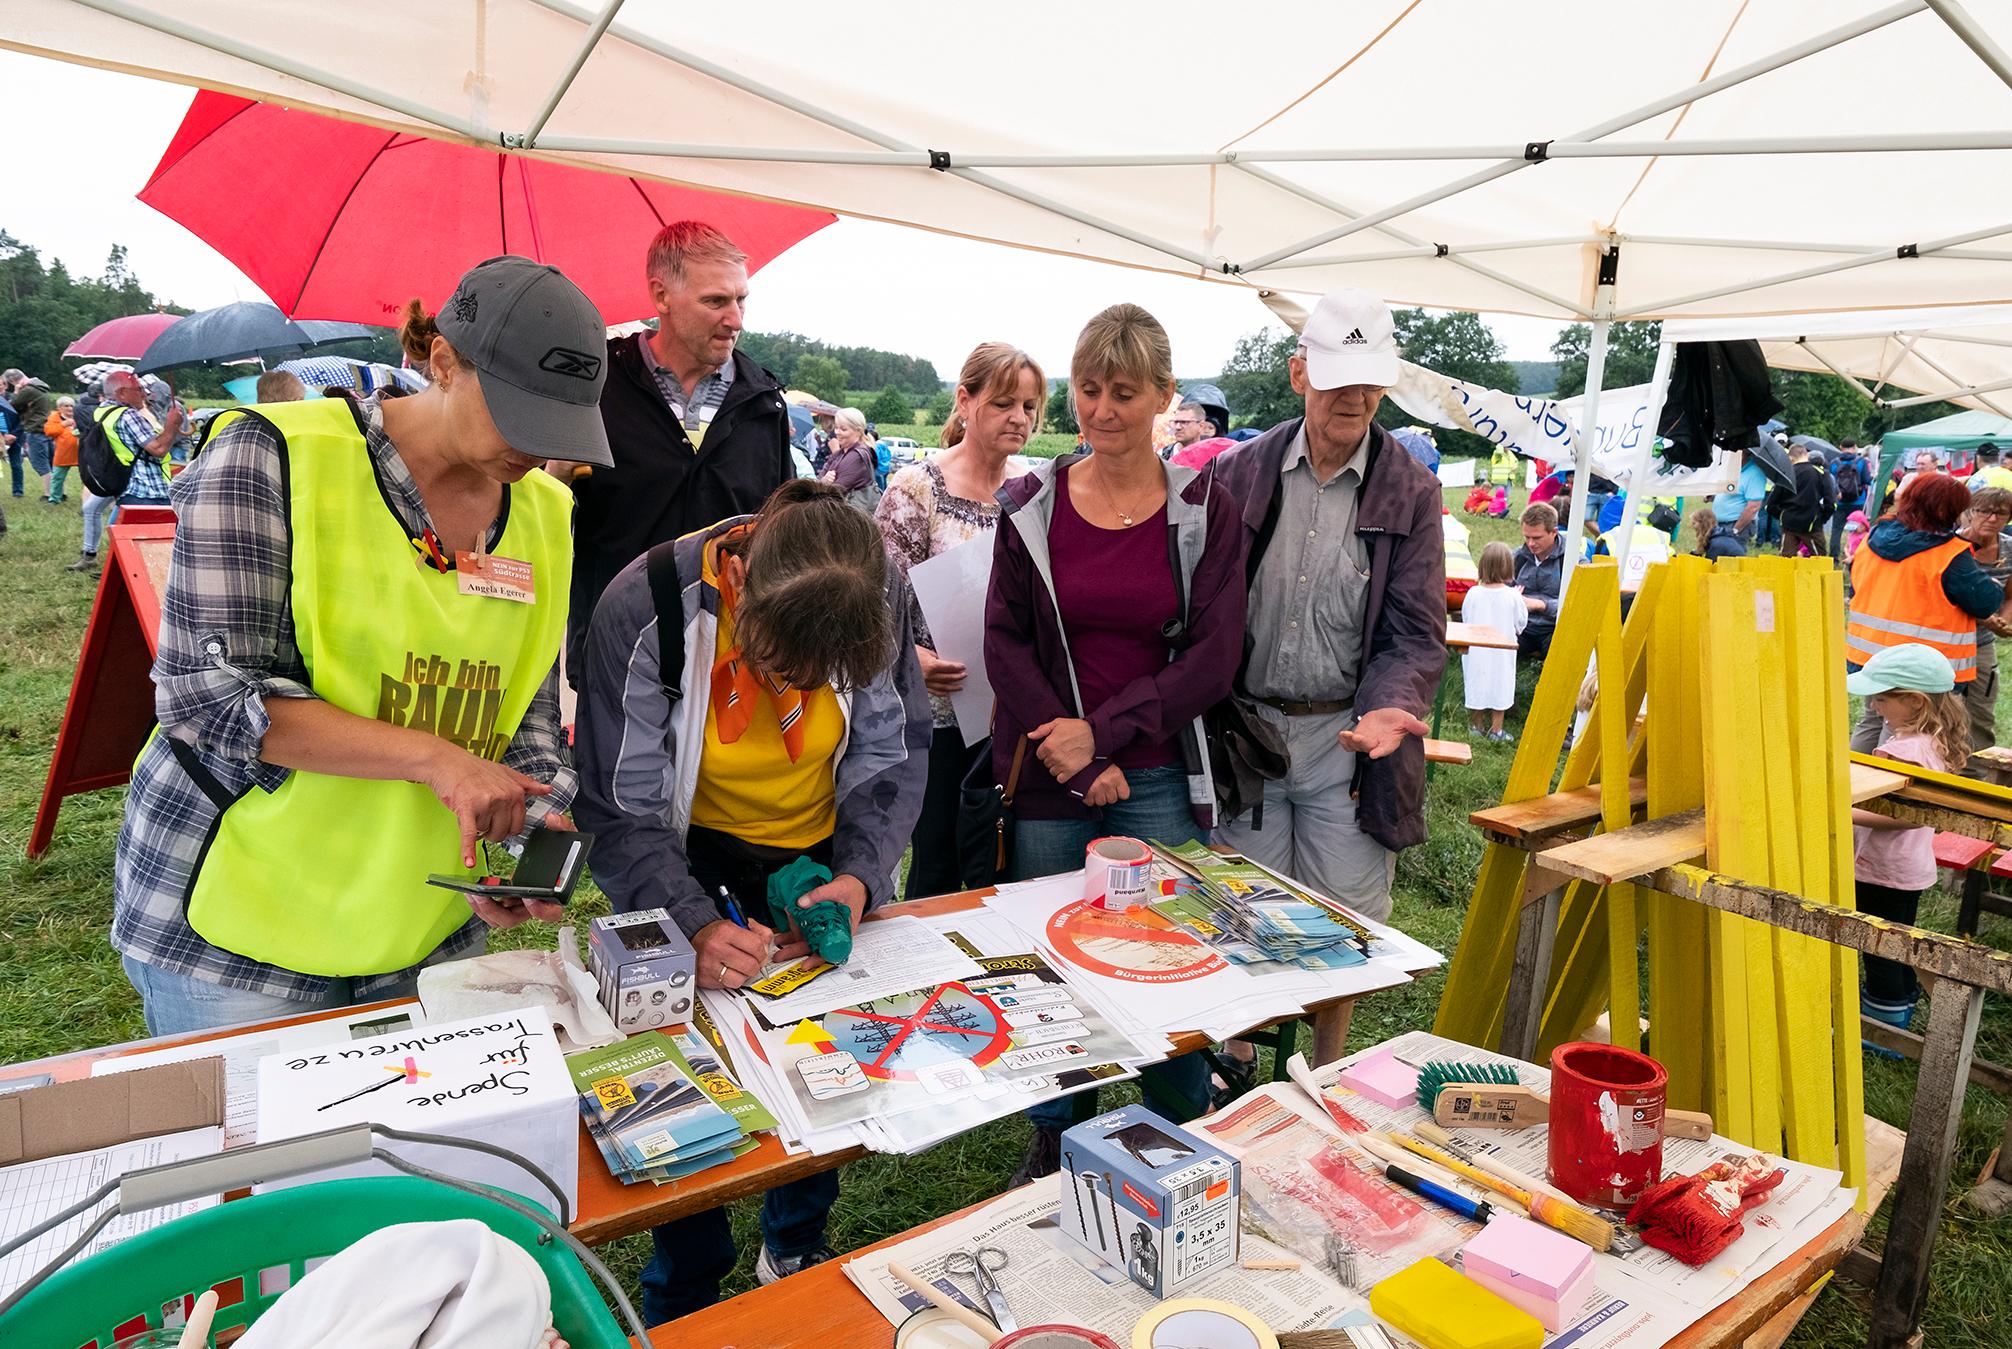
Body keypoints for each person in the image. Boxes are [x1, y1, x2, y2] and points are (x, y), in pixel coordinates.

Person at [111, 255, 606, 1036]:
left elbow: (530, 720)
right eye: (518, 410)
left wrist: (532, 826)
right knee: (272, 1159)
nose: (537, 446)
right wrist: (439, 759)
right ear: (441, 360)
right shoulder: (272, 453)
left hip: (420, 927)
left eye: (562, 425)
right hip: (243, 930)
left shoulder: (546, 511)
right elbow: (205, 698)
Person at [573, 478, 928, 1320]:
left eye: (820, 678)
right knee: (689, 1065)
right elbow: (621, 804)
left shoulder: (879, 584)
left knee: (827, 1050)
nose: (799, 689)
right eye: (780, 669)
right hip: (682, 846)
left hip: (816, 846)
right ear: (741, 594)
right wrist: (690, 918)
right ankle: (686, 1282)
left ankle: (797, 1237)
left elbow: (894, 749)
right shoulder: (647, 605)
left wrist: (860, 875)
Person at [986, 302, 1245, 1177]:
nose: (1102, 410)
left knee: (1162, 946)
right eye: (1089, 389)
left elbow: (1213, 659)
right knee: (1051, 955)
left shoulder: (1207, 513)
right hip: (1048, 771)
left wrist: (1105, 736)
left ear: (1165, 396)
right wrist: (1070, 750)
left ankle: (1173, 1122)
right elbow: (1004, 641)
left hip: (1158, 771)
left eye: (1125, 393)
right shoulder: (1030, 506)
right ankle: (1055, 1129)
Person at [1212, 285, 1442, 923]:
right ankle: (1243, 1028)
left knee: (1344, 927)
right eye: (1340, 378)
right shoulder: (1237, 474)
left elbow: (1415, 633)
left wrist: (1392, 708)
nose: (1357, 397)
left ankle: (1327, 1031)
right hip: (1246, 733)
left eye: (1371, 381)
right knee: (1241, 917)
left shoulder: (1412, 490)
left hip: (1346, 739)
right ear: (1299, 373)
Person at [567, 220, 792, 679]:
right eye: (715, 301)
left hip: (728, 661)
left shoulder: (764, 403)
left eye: (740, 299)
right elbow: (541, 518)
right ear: (661, 296)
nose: (735, 320)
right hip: (617, 651)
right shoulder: (598, 389)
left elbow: (780, 533)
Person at [875, 342, 1043, 897]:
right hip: (937, 715)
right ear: (965, 401)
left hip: (1012, 710)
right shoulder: (917, 489)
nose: (1019, 418)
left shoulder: (1035, 492)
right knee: (939, 860)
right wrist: (911, 658)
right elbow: (875, 600)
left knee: (1002, 856)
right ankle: (934, 976)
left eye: (1030, 405)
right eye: (1003, 404)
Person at [1847, 644, 1970, 1028]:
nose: (1873, 707)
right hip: (1904, 868)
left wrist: (1840, 811)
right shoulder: (1931, 741)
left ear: (1915, 701)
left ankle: (1884, 1025)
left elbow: (1907, 818)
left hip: (1882, 868)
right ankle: (1902, 999)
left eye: (1882, 699)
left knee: (1878, 945)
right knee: (1898, 940)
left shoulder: (1905, 752)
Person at [1846, 473, 2005, 751]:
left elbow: (1859, 587)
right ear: (1949, 511)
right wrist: (1989, 578)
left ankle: (1854, 786)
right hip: (1919, 669)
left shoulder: (1874, 539)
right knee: (1904, 733)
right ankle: (1888, 791)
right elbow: (1985, 602)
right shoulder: (1949, 554)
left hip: (1867, 655)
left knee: (1872, 721)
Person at [1958, 488, 2012, 766]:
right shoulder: (1953, 546)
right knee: (1945, 712)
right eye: (1984, 511)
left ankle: (1977, 775)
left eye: (2001, 513)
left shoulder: (2009, 548)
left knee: (1981, 712)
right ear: (1970, 512)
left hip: (1982, 644)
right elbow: (1947, 598)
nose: (1991, 518)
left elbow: (2010, 594)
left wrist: (2004, 620)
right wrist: (1987, 619)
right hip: (1949, 640)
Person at [1463, 542, 1526, 741]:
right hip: (1503, 651)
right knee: (1502, 685)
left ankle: (1476, 725)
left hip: (1476, 650)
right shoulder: (1513, 596)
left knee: (1476, 683)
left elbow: (1466, 618)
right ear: (1509, 566)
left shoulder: (1473, 593)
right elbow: (1521, 623)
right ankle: (1497, 730)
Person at [97, 370, 180, 507]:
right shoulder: (129, 415)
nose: (144, 394)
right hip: (147, 490)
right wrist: (172, 425)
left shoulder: (101, 412)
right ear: (122, 393)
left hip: (125, 487)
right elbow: (158, 449)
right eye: (138, 389)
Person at [1512, 502, 1565, 659]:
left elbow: (1580, 605)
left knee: (1560, 657)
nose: (1530, 544)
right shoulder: (1515, 558)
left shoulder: (1573, 561)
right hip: (1521, 628)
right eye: (1526, 537)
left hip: (1554, 629)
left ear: (1554, 532)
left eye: (1537, 538)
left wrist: (1541, 605)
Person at [1766, 440, 1834, 557]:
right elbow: (1831, 503)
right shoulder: (1821, 473)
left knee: (1786, 560)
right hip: (1812, 523)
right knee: (1820, 560)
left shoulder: (1785, 475)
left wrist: (1783, 515)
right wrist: (1822, 518)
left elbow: (1770, 505)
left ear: (1790, 458)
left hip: (1789, 523)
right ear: (1806, 455)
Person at [819, 406, 879, 512]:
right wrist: (823, 481)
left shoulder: (857, 456)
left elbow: (834, 491)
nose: (837, 432)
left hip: (851, 518)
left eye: (843, 429)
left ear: (858, 431)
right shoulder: (842, 452)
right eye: (836, 427)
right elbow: (819, 479)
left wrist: (823, 483)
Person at [1712, 447, 1773, 543]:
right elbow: (1731, 491)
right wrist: (1713, 496)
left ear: (1743, 455)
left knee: (1731, 555)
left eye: (1732, 454)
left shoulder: (1755, 474)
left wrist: (1735, 530)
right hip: (1721, 523)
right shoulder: (1735, 469)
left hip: (1736, 524)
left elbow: (1754, 506)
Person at [12, 374, 54, 499]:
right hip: (46, 428)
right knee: (51, 463)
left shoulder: (29, 390)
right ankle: (58, 492)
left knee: (40, 462)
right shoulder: (41, 388)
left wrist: (16, 391)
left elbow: (13, 404)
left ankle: (49, 494)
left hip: (35, 429)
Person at [1830, 439, 1869, 558]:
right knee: (1859, 531)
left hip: (1840, 501)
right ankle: (1856, 555)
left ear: (1840, 447)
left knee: (1836, 530)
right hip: (1858, 501)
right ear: (1855, 447)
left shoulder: (1834, 463)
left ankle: (1834, 557)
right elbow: (1867, 480)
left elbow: (1830, 482)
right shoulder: (1861, 462)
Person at [44, 396, 78, 504]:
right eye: (66, 406)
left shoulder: (79, 415)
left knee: (88, 478)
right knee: (57, 477)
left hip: (81, 453)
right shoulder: (54, 418)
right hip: (63, 453)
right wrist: (63, 424)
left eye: (71, 406)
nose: (70, 408)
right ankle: (54, 499)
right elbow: (49, 431)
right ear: (59, 407)